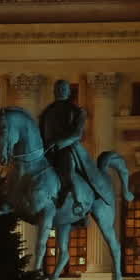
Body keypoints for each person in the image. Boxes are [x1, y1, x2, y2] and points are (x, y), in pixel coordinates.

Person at [38, 79, 105, 216]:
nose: (61, 91)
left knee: (68, 171)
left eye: (64, 88)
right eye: (58, 88)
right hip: (46, 149)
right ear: (54, 91)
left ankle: (77, 201)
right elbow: (40, 131)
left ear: (69, 92)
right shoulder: (46, 111)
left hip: (67, 148)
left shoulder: (77, 111)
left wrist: (59, 143)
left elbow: (77, 134)